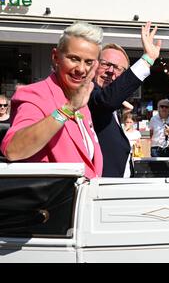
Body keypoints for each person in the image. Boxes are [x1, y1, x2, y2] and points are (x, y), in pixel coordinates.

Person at [1, 22, 103, 178]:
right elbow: (13, 150)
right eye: (74, 59)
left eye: (88, 62)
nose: (81, 69)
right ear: (56, 57)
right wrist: (68, 108)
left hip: (83, 198)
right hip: (52, 201)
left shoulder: (80, 100)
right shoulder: (35, 94)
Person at [88, 22, 161, 177]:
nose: (110, 71)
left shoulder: (113, 105)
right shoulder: (88, 93)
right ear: (94, 65)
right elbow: (106, 101)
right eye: (105, 64)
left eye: (118, 68)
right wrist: (147, 59)